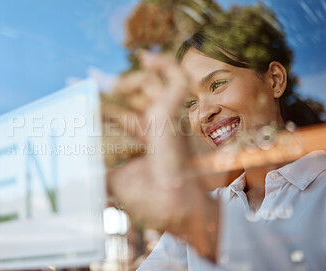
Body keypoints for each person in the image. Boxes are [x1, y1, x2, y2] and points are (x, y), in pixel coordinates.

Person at [107, 5, 326, 271]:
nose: (205, 113)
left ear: (275, 80)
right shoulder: (215, 203)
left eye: (218, 84)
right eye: (190, 102)